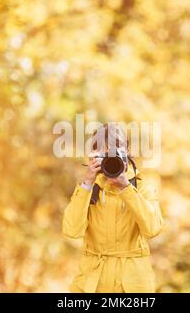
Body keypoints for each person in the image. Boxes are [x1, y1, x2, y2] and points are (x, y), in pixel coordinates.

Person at [62, 123, 164, 293]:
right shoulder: (88, 189)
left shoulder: (142, 188)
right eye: (104, 154)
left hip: (133, 286)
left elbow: (153, 229)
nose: (111, 160)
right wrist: (87, 183)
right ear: (94, 157)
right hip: (92, 284)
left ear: (127, 154)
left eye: (116, 153)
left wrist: (126, 188)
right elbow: (71, 231)